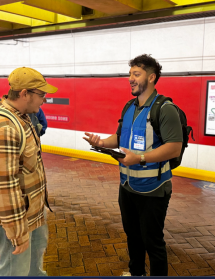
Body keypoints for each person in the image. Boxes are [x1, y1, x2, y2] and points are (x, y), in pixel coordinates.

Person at [83, 54, 183, 276]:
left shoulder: (164, 109)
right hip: (127, 186)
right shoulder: (129, 106)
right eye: (130, 74)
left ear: (152, 77)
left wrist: (140, 158)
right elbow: (120, 138)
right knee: (133, 236)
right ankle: (136, 273)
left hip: (153, 189)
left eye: (136, 74)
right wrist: (101, 142)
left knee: (153, 242)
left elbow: (174, 147)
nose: (130, 78)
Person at [0, 67, 58, 276]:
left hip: (31, 216)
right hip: (11, 224)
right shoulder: (2, 127)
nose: (44, 100)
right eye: (41, 95)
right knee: (15, 272)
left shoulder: (23, 118)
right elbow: (3, 187)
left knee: (33, 270)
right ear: (24, 94)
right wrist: (17, 233)